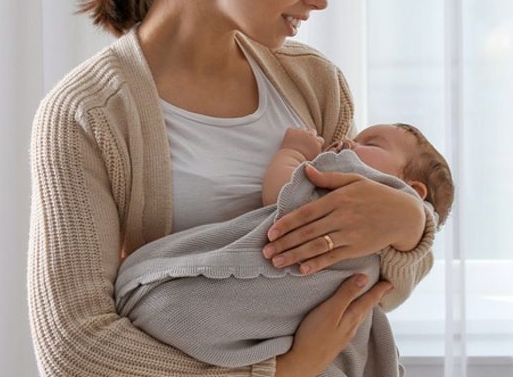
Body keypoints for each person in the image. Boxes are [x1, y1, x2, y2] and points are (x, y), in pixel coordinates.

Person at [27, 0, 436, 377]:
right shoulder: (87, 114)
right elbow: (73, 349)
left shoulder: (316, 86)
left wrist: (411, 223)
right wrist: (283, 371)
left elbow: (363, 283)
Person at [113, 124, 454, 375]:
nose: (348, 141)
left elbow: (282, 194)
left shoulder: (353, 178)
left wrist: (292, 152)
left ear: (411, 188)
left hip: (192, 311)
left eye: (371, 143)